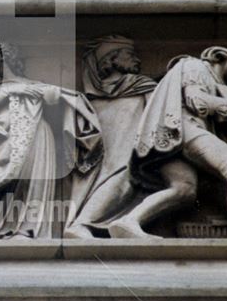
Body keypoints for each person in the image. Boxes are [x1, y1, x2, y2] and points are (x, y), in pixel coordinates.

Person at [116, 43, 227, 239]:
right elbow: (197, 101)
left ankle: (128, 221)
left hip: (177, 137)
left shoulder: (215, 84)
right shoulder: (196, 66)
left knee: (183, 190)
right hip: (186, 128)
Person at [0, 39, 102, 239]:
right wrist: (7, 92)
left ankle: (27, 229)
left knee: (31, 181)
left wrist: (55, 97)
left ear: (4, 54)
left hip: (35, 135)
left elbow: (60, 109)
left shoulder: (33, 85)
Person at [65, 36, 158, 237]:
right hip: (109, 148)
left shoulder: (139, 85)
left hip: (125, 143)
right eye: (130, 55)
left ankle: (80, 223)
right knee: (119, 176)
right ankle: (80, 223)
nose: (137, 60)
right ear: (111, 58)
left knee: (121, 176)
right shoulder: (139, 85)